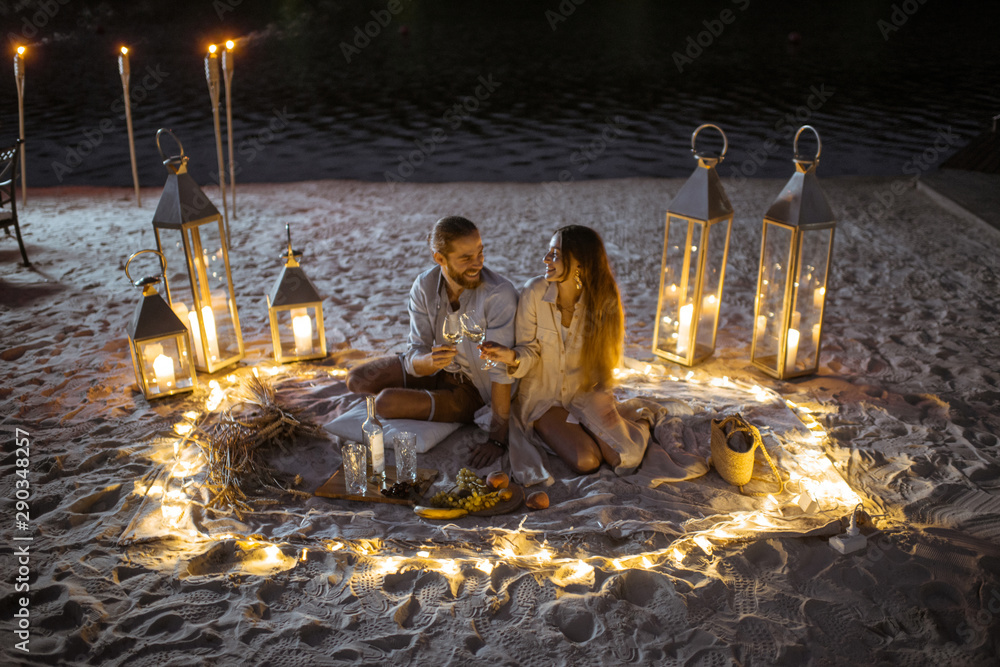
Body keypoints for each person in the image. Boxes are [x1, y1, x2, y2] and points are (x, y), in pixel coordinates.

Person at [480, 225, 650, 486]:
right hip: (544, 400)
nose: (546, 259)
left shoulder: (603, 300)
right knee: (587, 462)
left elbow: (604, 363)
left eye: (556, 254)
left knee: (622, 459)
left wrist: (603, 397)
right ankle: (578, 431)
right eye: (548, 252)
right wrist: (510, 357)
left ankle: (631, 425)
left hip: (582, 394)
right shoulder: (534, 293)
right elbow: (530, 351)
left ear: (580, 263)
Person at [347, 216, 518, 468]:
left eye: (480, 253)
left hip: (473, 390)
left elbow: (501, 371)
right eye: (466, 258)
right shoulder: (424, 286)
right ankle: (429, 397)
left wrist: (497, 439)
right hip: (437, 368)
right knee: (357, 379)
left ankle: (438, 404)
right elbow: (416, 347)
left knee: (384, 402)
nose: (478, 264)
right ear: (439, 258)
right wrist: (427, 361)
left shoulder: (498, 294)